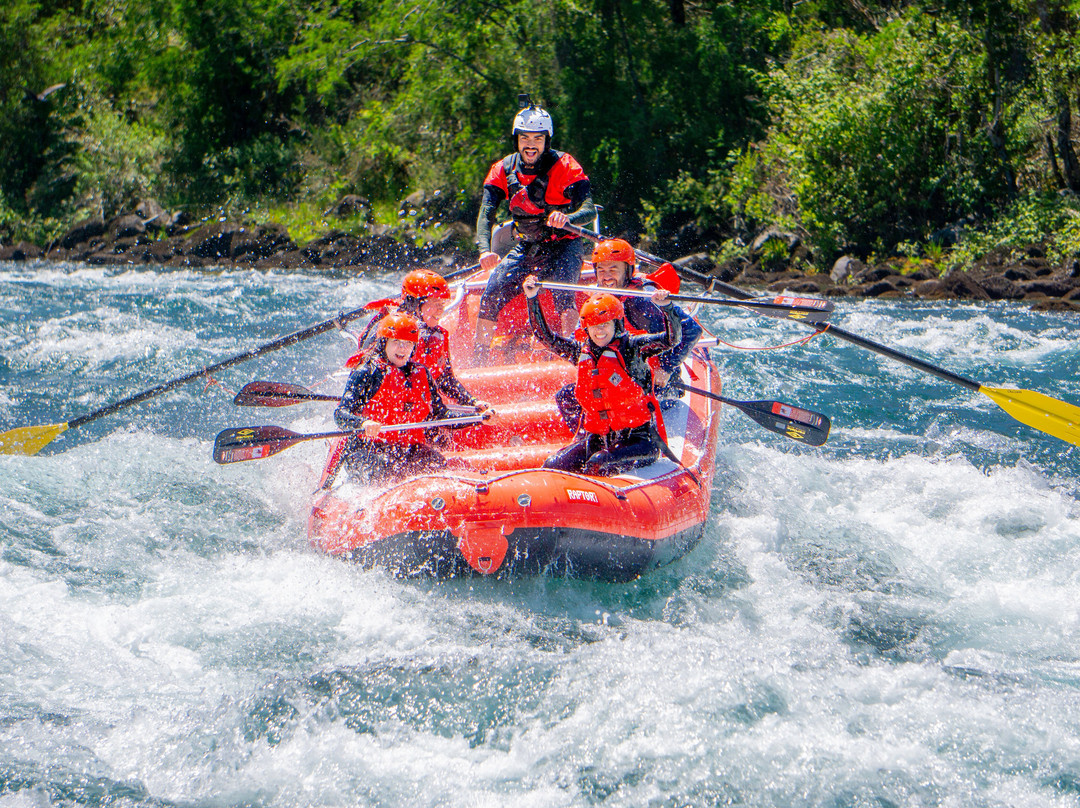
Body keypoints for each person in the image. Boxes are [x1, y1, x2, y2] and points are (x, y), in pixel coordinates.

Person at [473, 99, 597, 363]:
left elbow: (589, 210)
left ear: (546, 141)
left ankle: (573, 355)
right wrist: (485, 250)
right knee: (492, 291)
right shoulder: (503, 169)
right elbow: (486, 214)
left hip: (565, 243)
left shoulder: (565, 165)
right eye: (525, 138)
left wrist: (568, 217)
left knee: (563, 292)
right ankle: (479, 358)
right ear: (516, 140)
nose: (531, 145)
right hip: (528, 245)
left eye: (538, 139)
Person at [523, 275, 680, 476]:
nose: (599, 331)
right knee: (552, 465)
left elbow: (671, 340)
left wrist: (667, 308)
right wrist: (532, 298)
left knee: (600, 461)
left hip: (639, 440)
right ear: (586, 328)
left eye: (605, 324)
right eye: (594, 325)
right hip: (599, 438)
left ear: (617, 323)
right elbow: (544, 336)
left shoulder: (634, 348)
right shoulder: (580, 351)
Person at [335, 312, 466, 484]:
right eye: (396, 342)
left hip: (406, 449)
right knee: (385, 468)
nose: (402, 349)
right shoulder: (366, 372)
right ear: (384, 343)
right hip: (367, 449)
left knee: (437, 463)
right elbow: (341, 413)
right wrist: (363, 423)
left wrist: (479, 418)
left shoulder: (422, 373)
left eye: (408, 343)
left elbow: (441, 415)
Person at [354, 269, 493, 416]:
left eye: (442, 303)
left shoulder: (438, 335)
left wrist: (472, 402)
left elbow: (445, 379)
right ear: (414, 304)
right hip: (386, 412)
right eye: (434, 303)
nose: (441, 310)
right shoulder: (389, 332)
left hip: (418, 408)